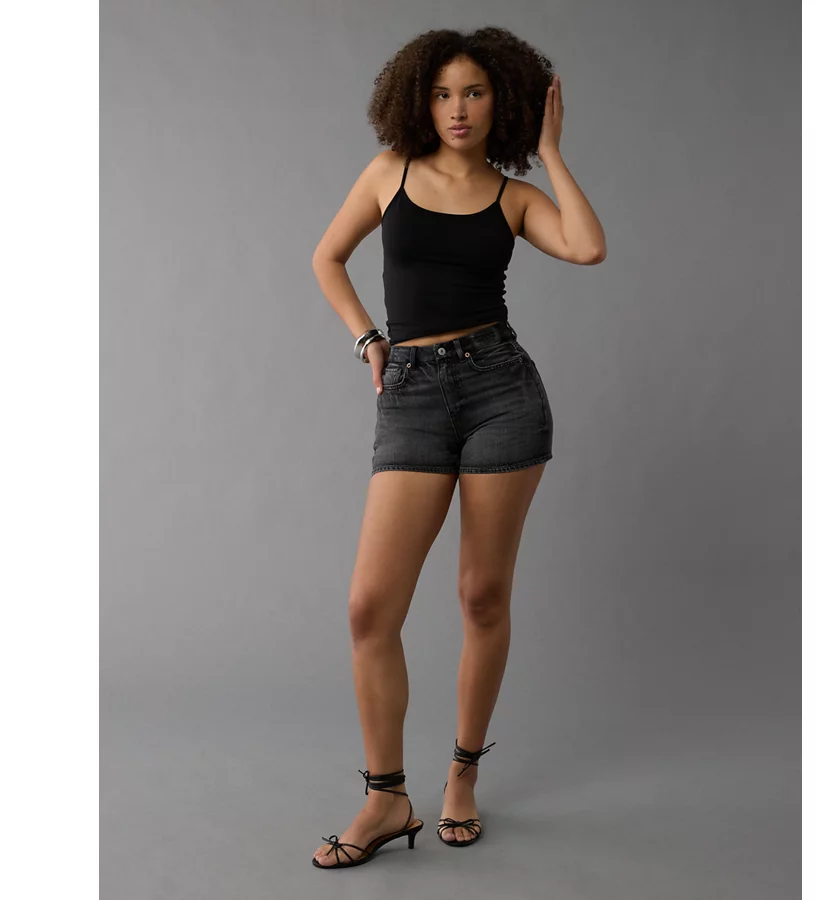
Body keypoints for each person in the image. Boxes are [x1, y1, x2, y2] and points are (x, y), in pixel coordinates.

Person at [310, 26, 606, 869]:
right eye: (442, 93)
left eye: (474, 92)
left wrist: (551, 154)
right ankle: (386, 798)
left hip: (500, 391)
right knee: (370, 608)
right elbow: (329, 258)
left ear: (500, 102)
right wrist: (368, 338)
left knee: (481, 595)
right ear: (419, 100)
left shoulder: (514, 196)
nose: (457, 108)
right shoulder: (390, 172)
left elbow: (587, 246)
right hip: (411, 392)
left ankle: (462, 776)